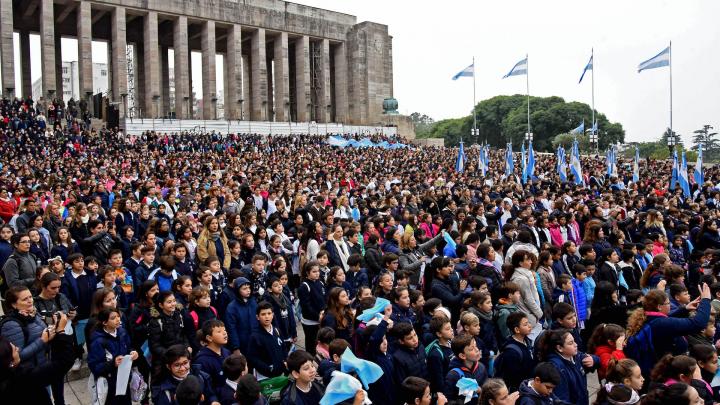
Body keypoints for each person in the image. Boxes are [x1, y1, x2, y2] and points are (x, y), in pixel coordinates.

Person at [0, 311, 75, 405]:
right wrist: (60, 331)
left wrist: (33, 317)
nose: (17, 348)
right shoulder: (23, 378)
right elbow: (64, 362)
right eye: (14, 349)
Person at [87, 308, 139, 405]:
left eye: (118, 316)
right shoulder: (98, 341)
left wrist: (133, 353)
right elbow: (95, 367)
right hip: (109, 384)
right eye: (113, 318)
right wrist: (113, 363)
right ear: (104, 322)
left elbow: (129, 347)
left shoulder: (122, 332)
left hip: (124, 379)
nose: (118, 319)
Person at [537, 329, 599, 405]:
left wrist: (593, 360)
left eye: (574, 341)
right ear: (560, 348)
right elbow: (562, 398)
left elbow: (597, 360)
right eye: (571, 343)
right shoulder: (557, 368)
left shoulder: (576, 355)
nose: (576, 344)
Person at [151, 344, 219, 405]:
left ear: (189, 361)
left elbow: (210, 394)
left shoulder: (202, 376)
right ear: (168, 366)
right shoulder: (162, 389)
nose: (182, 369)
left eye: (185, 363)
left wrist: (213, 401)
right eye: (177, 365)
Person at [246, 301, 287, 379]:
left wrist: (285, 361)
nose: (267, 316)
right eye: (263, 314)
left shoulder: (277, 330)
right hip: (265, 377)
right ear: (257, 317)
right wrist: (268, 369)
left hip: (280, 372)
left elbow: (283, 348)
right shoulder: (255, 336)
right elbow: (253, 358)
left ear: (273, 315)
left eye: (269, 313)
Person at [443, 334, 487, 401]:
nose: (477, 350)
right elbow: (448, 399)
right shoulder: (453, 375)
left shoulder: (481, 367)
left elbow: (487, 389)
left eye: (476, 346)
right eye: (471, 349)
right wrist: (464, 394)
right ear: (462, 356)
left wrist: (480, 390)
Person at [224, 277, 258, 356]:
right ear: (237, 290)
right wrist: (236, 347)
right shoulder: (232, 307)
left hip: (256, 341)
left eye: (249, 287)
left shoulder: (253, 302)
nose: (248, 290)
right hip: (243, 344)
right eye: (244, 288)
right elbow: (231, 329)